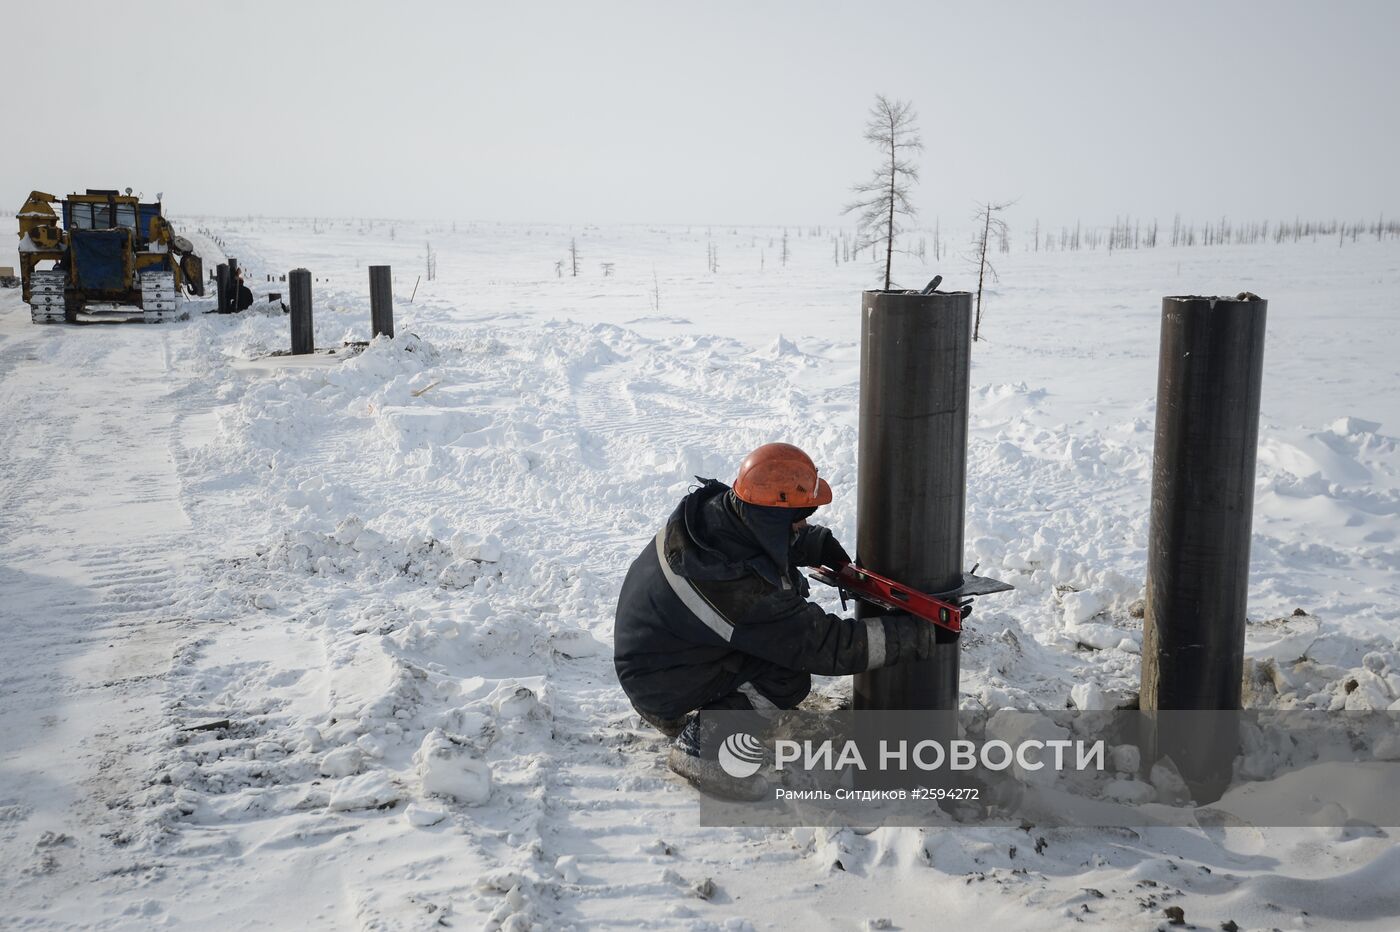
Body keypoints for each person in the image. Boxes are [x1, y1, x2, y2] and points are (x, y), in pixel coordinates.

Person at [613, 442, 944, 799]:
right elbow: (827, 646)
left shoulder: (717, 516)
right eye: (799, 518)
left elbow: (760, 539)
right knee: (786, 673)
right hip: (660, 681)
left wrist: (817, 545)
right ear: (772, 518)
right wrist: (920, 633)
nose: (804, 523)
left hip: (660, 657)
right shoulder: (735, 588)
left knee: (776, 653)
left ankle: (697, 711)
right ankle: (704, 748)